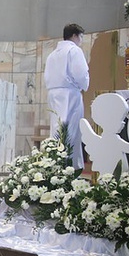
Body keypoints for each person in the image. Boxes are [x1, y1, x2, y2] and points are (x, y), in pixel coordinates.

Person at [44, 23, 90, 170]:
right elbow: (81, 74)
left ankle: (55, 164)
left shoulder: (52, 54)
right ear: (74, 36)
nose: (81, 40)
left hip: (54, 93)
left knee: (57, 128)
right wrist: (84, 85)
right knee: (71, 129)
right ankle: (70, 167)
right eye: (81, 37)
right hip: (70, 94)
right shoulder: (74, 51)